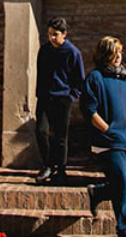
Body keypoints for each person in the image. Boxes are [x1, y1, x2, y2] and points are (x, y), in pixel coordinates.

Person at [81, 36, 126, 237]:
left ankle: (98, 192)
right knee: (123, 183)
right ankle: (124, 230)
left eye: (120, 52)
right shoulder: (95, 78)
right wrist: (107, 129)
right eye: (114, 53)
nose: (118, 57)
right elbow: (89, 110)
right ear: (105, 55)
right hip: (109, 142)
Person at [35, 17, 84, 185]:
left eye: (55, 34)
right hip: (45, 97)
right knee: (41, 131)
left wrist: (71, 95)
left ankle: (61, 169)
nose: (51, 38)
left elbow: (79, 79)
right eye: (49, 34)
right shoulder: (44, 50)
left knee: (61, 136)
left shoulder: (72, 53)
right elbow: (40, 73)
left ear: (64, 34)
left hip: (63, 99)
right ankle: (48, 164)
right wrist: (40, 93)